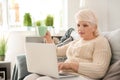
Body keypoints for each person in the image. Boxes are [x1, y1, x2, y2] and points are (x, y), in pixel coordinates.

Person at [24, 9, 112, 80]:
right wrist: (48, 38)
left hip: (82, 76)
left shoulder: (101, 42)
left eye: (85, 25)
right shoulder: (76, 41)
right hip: (66, 75)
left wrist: (70, 65)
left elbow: (99, 70)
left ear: (94, 27)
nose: (80, 29)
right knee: (30, 78)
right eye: (78, 25)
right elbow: (56, 51)